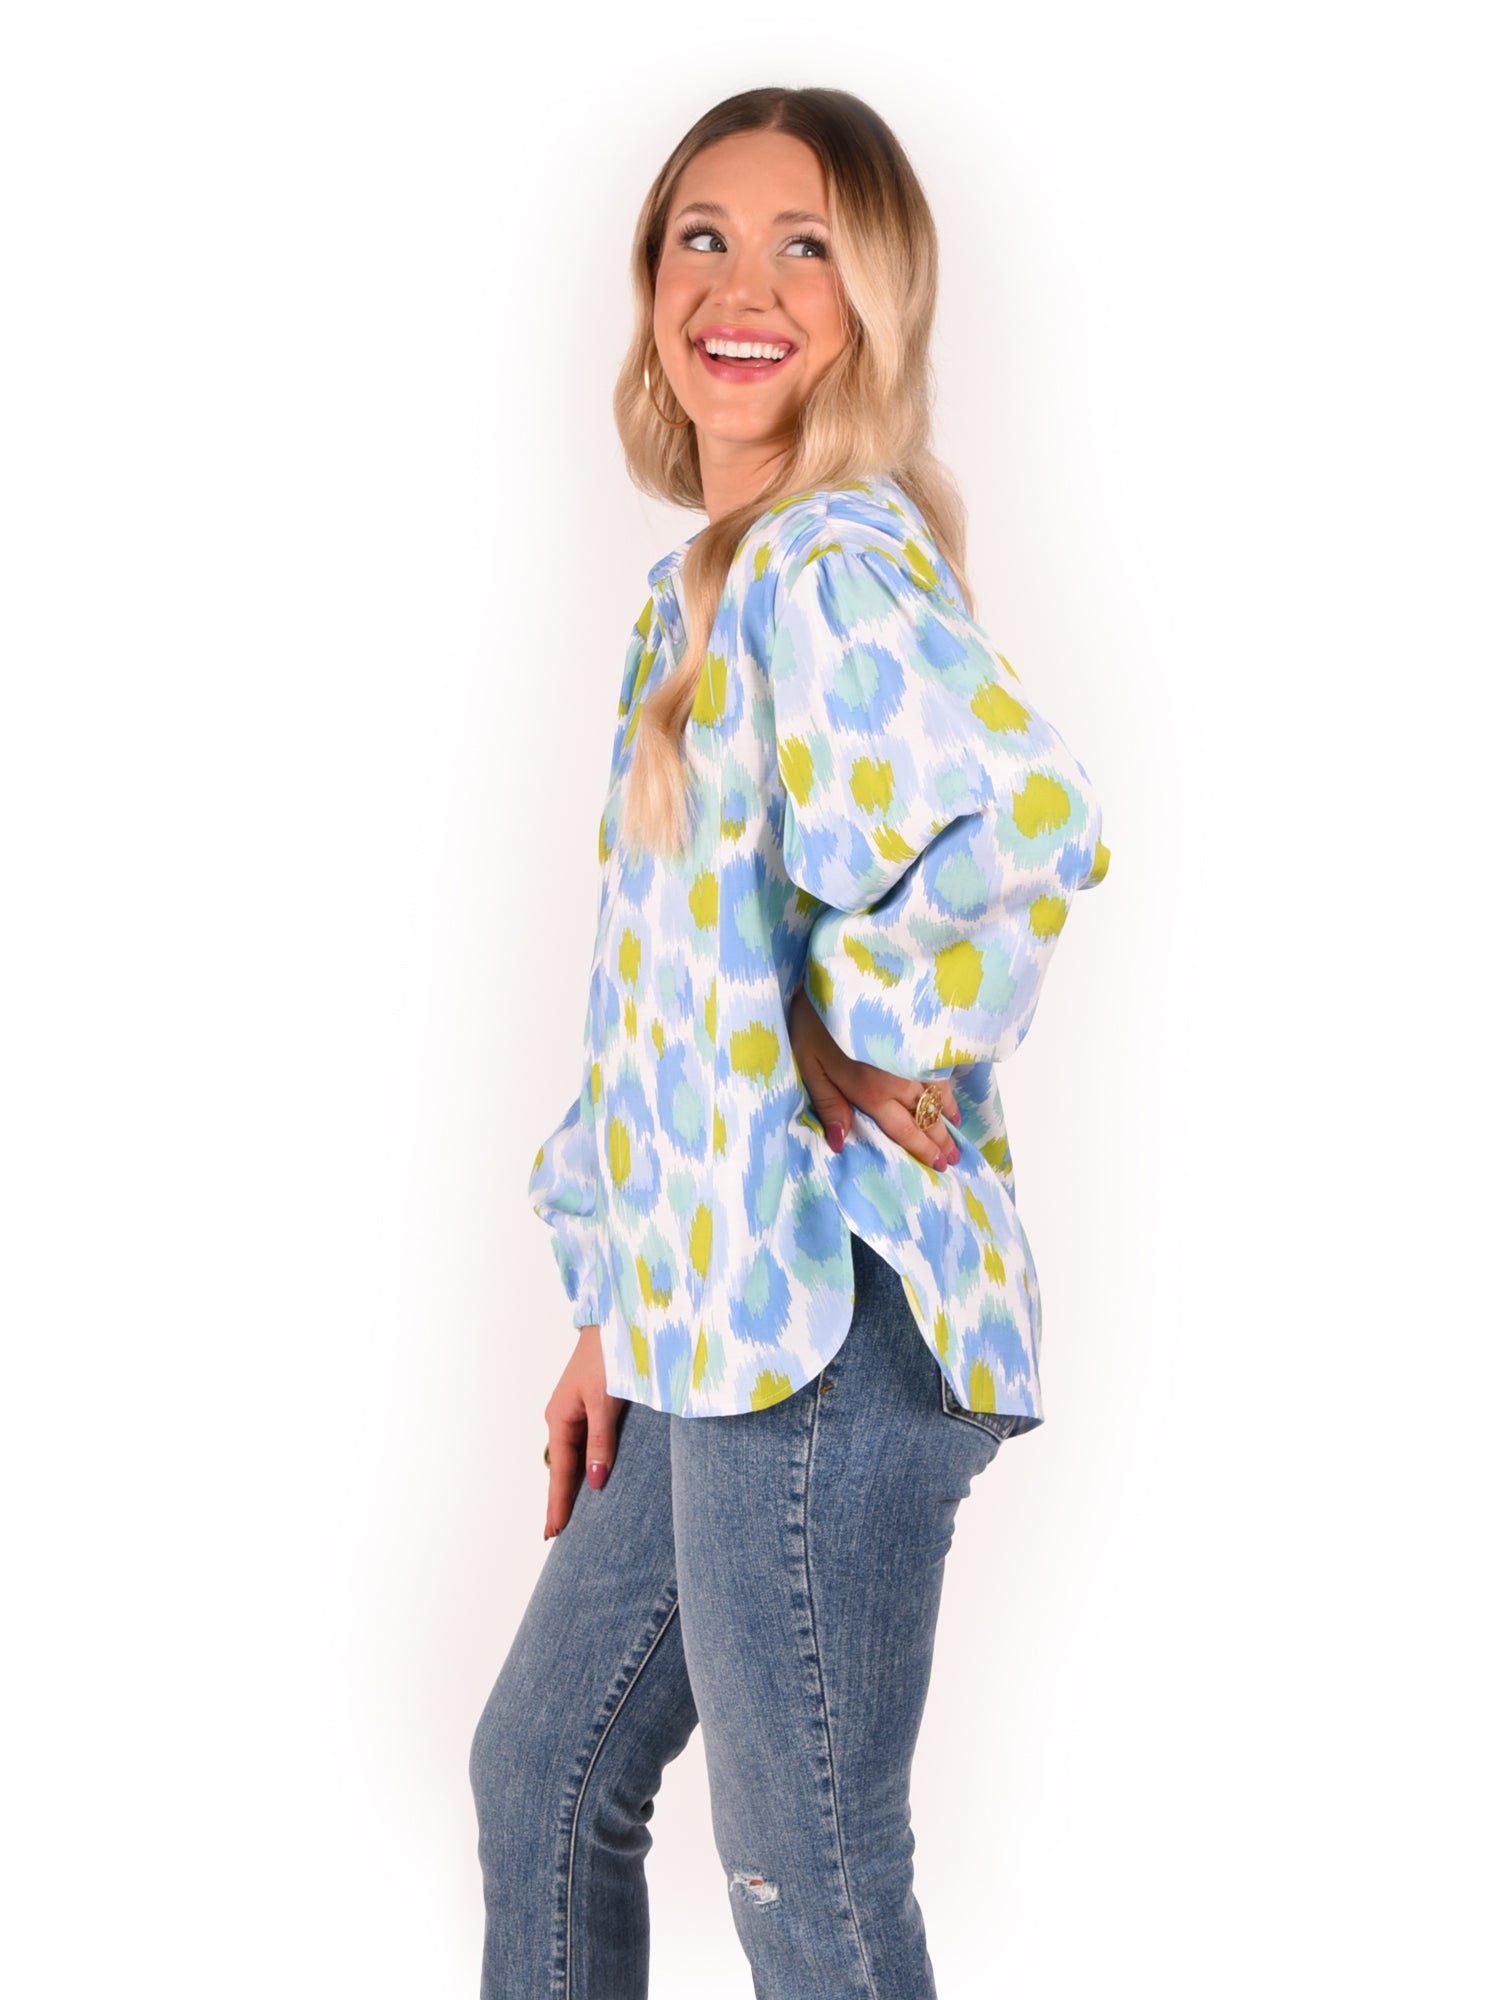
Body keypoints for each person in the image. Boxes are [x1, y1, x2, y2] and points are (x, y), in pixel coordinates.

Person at [469, 85, 1110, 1998]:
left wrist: (857, 1018)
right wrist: (620, 1300)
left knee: (805, 1882)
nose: (740, 287)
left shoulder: (826, 567)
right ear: (650, 283)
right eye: (704, 238)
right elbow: (669, 998)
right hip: (719, 1314)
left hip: (835, 1323)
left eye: (804, 246)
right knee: (541, 1771)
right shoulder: (710, 589)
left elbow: (1027, 822)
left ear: (873, 303)